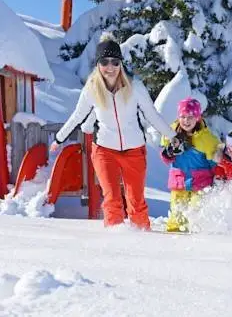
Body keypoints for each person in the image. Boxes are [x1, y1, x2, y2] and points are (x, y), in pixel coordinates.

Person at [50, 34, 174, 230]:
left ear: (120, 64)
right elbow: (77, 116)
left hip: (134, 150)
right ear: (98, 64)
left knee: (136, 202)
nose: (110, 67)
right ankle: (115, 247)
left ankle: (144, 243)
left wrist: (173, 136)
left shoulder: (134, 87)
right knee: (112, 200)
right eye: (105, 62)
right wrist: (59, 139)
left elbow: (152, 115)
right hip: (104, 150)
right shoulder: (92, 89)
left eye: (115, 62)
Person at [160, 97, 220, 232]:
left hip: (200, 182)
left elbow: (215, 162)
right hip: (178, 181)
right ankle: (174, 240)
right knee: (177, 215)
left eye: (190, 117)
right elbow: (165, 158)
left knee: (196, 213)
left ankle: (197, 239)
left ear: (198, 117)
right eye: (183, 116)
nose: (186, 121)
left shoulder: (206, 138)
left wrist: (218, 177)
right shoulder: (170, 133)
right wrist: (168, 153)